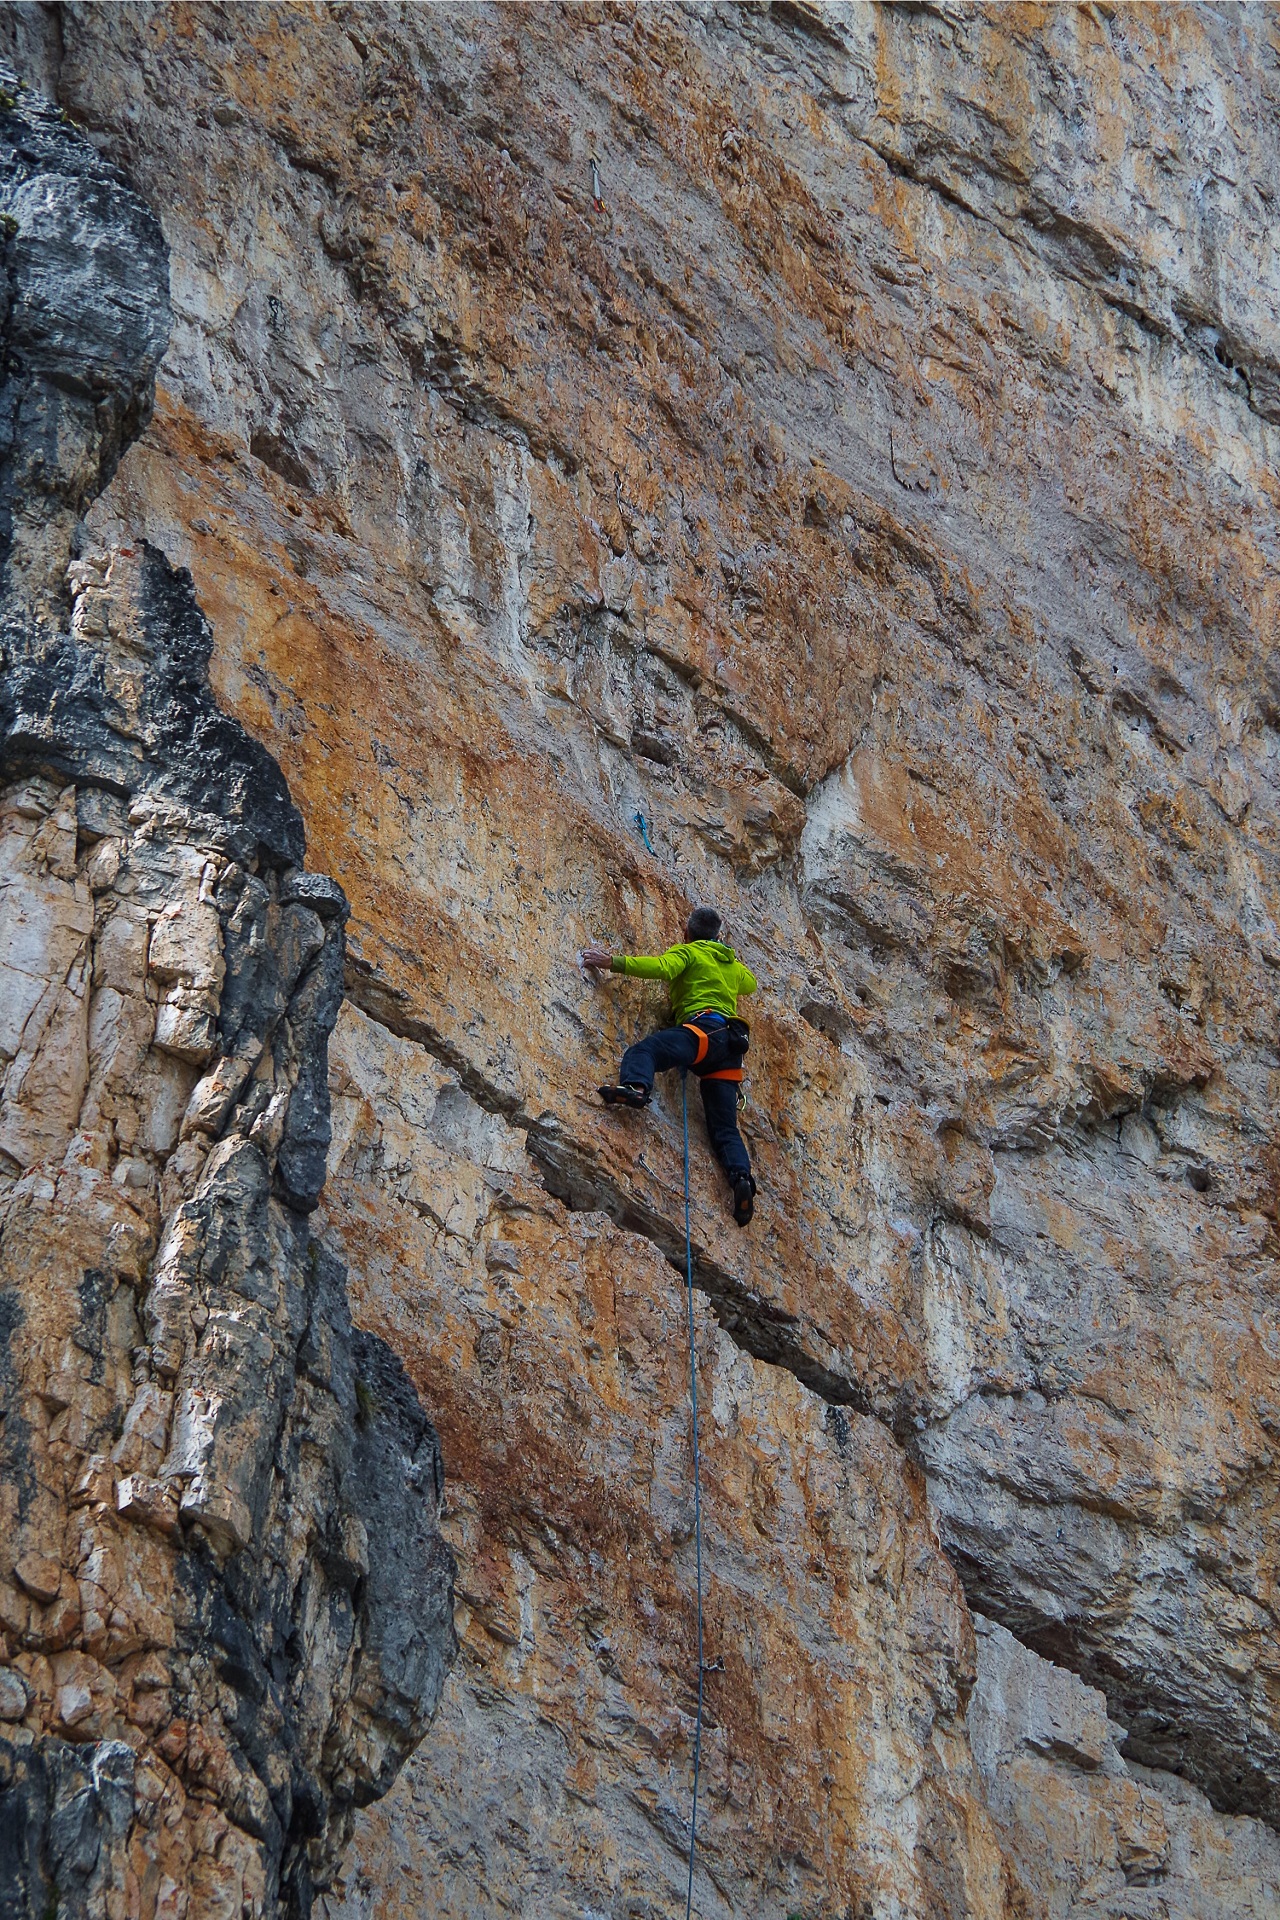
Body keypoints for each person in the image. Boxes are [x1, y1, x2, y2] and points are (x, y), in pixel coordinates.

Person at [582, 905, 758, 1226]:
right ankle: (741, 1179)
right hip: (729, 1049)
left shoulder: (688, 953)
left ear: (686, 933)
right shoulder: (731, 965)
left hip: (702, 1031)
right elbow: (750, 983)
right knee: (725, 1130)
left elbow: (662, 967)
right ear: (718, 936)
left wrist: (613, 962)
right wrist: (724, 951)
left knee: (646, 1050)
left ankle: (636, 1088)